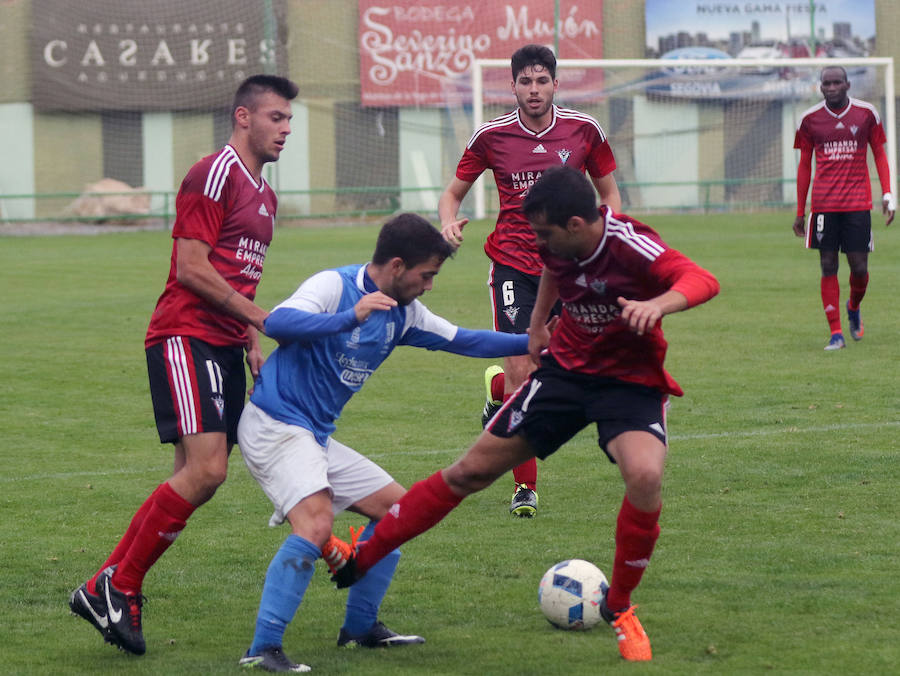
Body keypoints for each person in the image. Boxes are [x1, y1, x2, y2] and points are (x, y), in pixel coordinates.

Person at [328, 167, 719, 662]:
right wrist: (537, 326)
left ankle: (619, 607)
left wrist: (659, 304)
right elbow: (552, 269)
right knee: (469, 470)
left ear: (578, 224)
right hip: (566, 374)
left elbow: (701, 279)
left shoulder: (629, 242)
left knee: (644, 475)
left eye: (544, 233)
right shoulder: (559, 245)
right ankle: (361, 556)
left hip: (629, 383)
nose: (537, 242)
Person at [237, 213, 539, 672]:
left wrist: (535, 342)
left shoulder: (405, 313)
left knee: (399, 512)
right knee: (316, 525)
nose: (430, 286)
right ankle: (263, 648)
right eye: (427, 275)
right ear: (396, 266)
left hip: (314, 434)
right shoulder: (334, 287)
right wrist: (348, 318)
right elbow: (277, 323)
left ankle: (359, 629)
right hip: (274, 423)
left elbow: (465, 339)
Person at [68, 74, 299, 656]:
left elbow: (239, 270)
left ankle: (109, 586)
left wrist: (249, 337)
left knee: (193, 478)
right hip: (184, 335)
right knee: (207, 471)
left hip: (222, 342)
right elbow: (192, 267)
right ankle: (118, 584)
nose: (286, 129)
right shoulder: (213, 172)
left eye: (290, 120)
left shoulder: (266, 196)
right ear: (243, 117)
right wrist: (262, 316)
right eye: (276, 118)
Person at [439, 43, 621, 517]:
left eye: (543, 81)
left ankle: (495, 389)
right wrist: (447, 222)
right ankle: (525, 488)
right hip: (513, 266)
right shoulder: (491, 136)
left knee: (561, 371)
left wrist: (610, 242)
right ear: (513, 85)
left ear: (556, 84)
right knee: (525, 369)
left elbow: (610, 194)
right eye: (526, 81)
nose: (534, 90)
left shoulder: (585, 130)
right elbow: (452, 194)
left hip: (568, 269)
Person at [792, 64, 895, 351]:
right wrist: (801, 211)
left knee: (859, 268)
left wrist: (887, 193)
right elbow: (804, 166)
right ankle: (836, 333)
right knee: (828, 266)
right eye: (827, 83)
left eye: (838, 83)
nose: (832, 87)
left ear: (848, 85)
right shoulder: (809, 120)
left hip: (857, 204)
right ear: (820, 87)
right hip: (824, 206)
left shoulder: (866, 114)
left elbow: (880, 155)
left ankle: (853, 306)